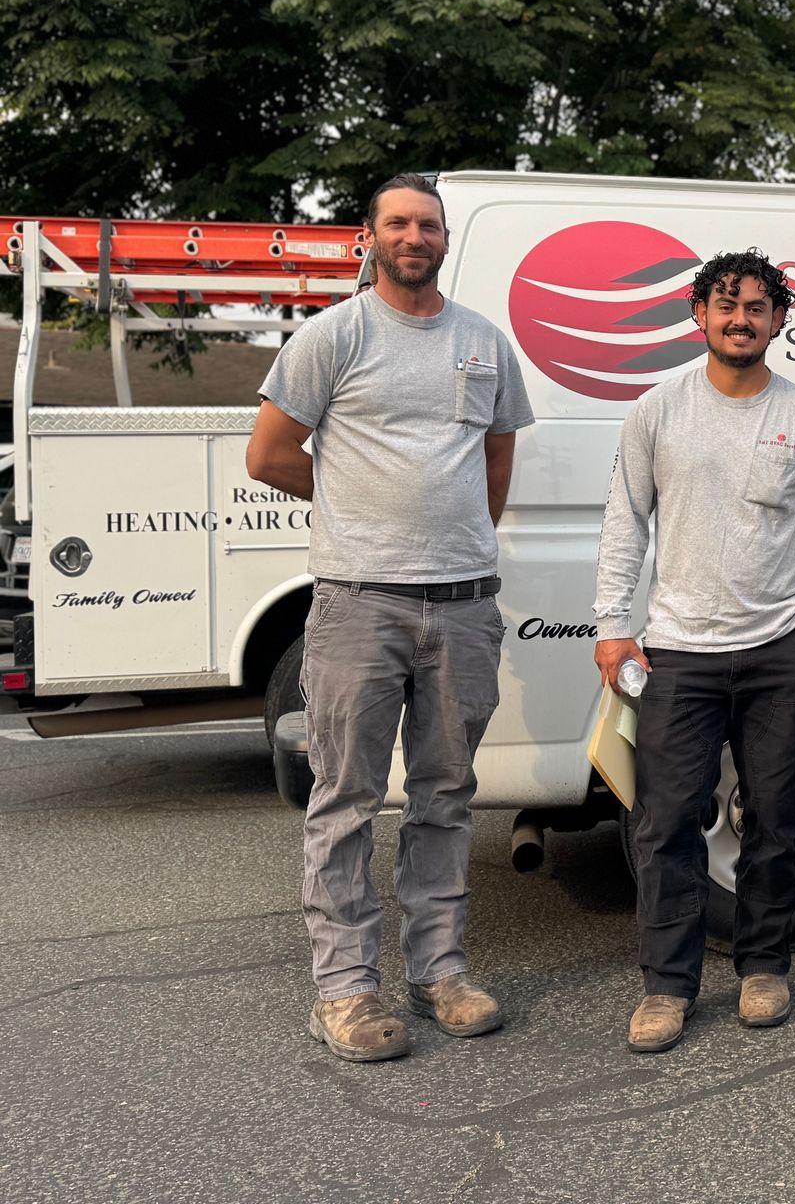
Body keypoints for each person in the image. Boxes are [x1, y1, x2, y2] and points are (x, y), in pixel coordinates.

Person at [248, 172, 533, 1062]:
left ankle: (439, 973)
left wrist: (452, 539)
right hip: (356, 604)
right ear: (368, 238)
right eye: (398, 223)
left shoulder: (483, 342)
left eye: (429, 225)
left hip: (463, 607)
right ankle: (344, 992)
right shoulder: (333, 336)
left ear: (445, 240)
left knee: (445, 798)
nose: (416, 236)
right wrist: (353, 511)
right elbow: (269, 454)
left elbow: (496, 462)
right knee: (346, 801)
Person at [593, 249, 795, 1055]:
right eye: (726, 305)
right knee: (666, 822)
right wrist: (611, 624)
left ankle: (763, 966)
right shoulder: (658, 411)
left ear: (780, 320)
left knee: (775, 815)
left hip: (780, 651)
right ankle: (667, 987)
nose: (742, 319)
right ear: (697, 314)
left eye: (758, 307)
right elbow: (625, 520)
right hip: (678, 653)